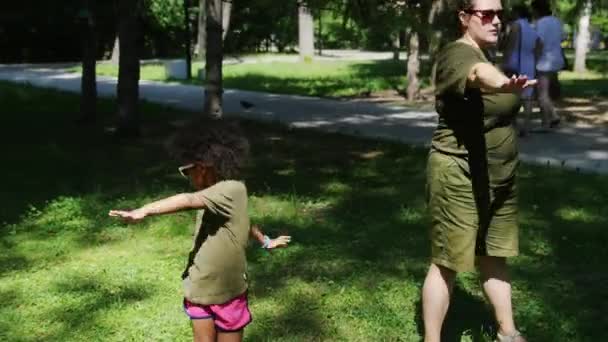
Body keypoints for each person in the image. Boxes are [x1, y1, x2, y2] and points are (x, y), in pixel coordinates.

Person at [108, 119, 291, 342]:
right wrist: (266, 241)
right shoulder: (214, 194)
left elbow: (187, 199)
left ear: (203, 167)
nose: (187, 177)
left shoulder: (231, 189)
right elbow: (246, 222)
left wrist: (144, 211)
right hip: (199, 287)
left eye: (187, 171)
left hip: (228, 292)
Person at [421, 1, 535, 342]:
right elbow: (476, 75)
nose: (496, 20)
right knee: (448, 261)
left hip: (497, 178)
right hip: (458, 174)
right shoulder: (458, 54)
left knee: (494, 254)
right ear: (464, 18)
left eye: (500, 13)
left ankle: (508, 333)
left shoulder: (486, 54)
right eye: (486, 14)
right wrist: (501, 85)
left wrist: (502, 82)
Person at [502, 4, 542, 136]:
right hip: (529, 63)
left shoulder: (516, 25)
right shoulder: (533, 28)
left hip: (515, 63)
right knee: (527, 96)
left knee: (512, 93)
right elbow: (538, 46)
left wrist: (505, 59)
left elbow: (511, 44)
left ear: (518, 13)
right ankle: (527, 126)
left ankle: (513, 124)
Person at [532, 0, 564, 130]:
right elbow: (562, 38)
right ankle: (551, 119)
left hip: (544, 62)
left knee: (542, 94)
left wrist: (535, 59)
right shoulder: (557, 21)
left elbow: (539, 42)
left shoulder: (540, 23)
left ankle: (548, 121)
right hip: (556, 59)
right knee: (548, 92)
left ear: (536, 10)